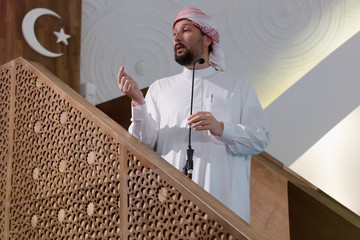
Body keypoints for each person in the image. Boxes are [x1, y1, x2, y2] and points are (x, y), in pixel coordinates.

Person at [118, 7, 269, 224]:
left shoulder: (237, 86)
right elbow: (142, 146)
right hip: (171, 212)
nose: (177, 38)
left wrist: (222, 129)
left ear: (207, 39)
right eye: (174, 34)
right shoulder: (161, 88)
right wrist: (138, 102)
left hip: (225, 211)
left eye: (185, 30)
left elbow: (260, 138)